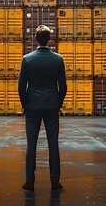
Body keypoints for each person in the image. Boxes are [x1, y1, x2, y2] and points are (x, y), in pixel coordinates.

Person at [18, 25, 67, 192]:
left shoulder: (27, 59)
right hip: (52, 105)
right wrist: (57, 103)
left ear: (36, 39)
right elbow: (64, 87)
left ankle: (30, 182)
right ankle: (55, 181)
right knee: (53, 143)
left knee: (31, 144)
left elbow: (21, 87)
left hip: (32, 106)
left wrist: (26, 104)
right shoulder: (58, 59)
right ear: (49, 39)